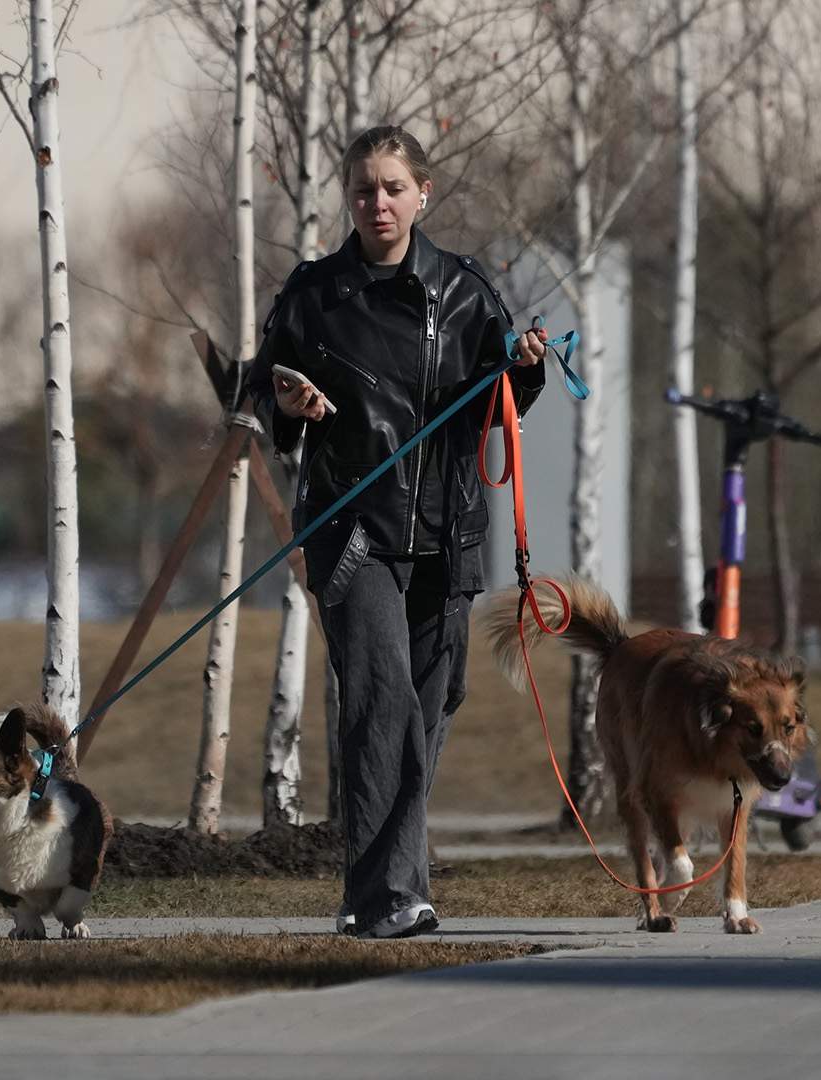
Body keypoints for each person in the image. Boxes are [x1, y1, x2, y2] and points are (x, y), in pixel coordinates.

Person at [248, 126, 549, 939]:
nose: (376, 203)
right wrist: (286, 402)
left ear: (423, 193)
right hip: (352, 533)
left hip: (447, 536)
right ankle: (393, 901)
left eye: (391, 188)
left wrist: (524, 366)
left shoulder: (464, 291)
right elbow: (256, 388)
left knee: (427, 706)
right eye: (362, 190)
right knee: (381, 702)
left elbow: (504, 406)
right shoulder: (315, 293)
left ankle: (368, 893)